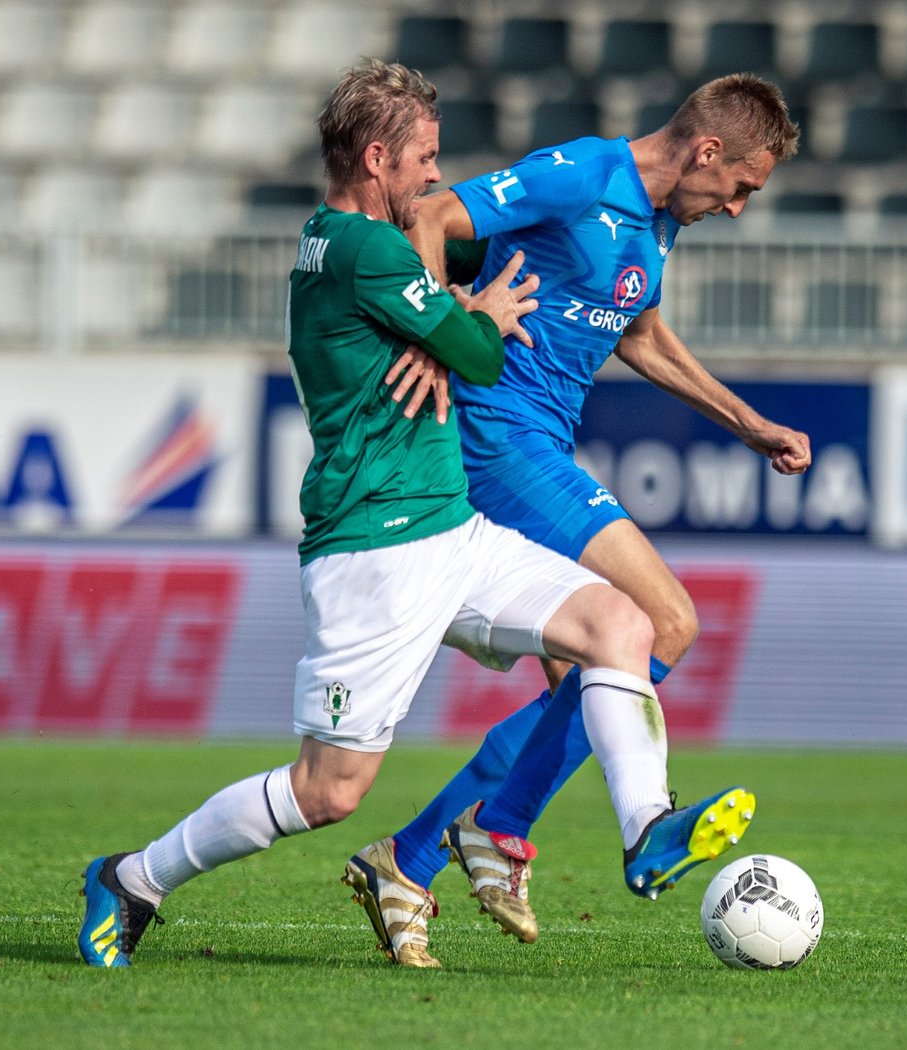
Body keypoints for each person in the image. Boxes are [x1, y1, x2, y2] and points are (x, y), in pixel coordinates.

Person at [75, 58, 742, 972]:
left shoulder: (342, 244)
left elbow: (475, 275)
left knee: (619, 624)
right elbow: (471, 348)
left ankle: (647, 829)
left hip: (453, 531)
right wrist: (476, 316)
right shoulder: (366, 251)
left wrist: (479, 298)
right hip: (375, 548)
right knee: (327, 791)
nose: (435, 176)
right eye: (424, 159)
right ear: (378, 157)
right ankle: (133, 879)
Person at [347, 72, 808, 964]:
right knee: (665, 622)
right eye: (745, 185)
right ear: (708, 151)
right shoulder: (588, 173)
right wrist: (440, 336)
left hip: (542, 443)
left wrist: (748, 424)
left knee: (586, 681)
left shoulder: (661, 221)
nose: (743, 207)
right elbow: (434, 216)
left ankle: (405, 858)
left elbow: (636, 332)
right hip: (495, 439)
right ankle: (515, 826)